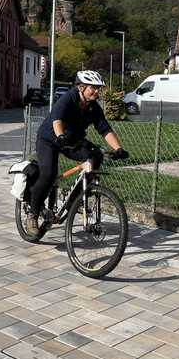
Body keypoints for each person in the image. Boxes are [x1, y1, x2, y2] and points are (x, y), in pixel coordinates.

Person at [26, 70, 128, 235]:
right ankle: (33, 213)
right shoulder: (69, 98)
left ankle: (75, 200)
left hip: (71, 140)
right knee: (48, 174)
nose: (96, 91)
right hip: (49, 139)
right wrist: (60, 136)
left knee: (96, 156)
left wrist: (118, 148)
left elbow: (104, 129)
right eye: (93, 88)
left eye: (98, 88)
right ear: (81, 87)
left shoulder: (93, 107)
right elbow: (56, 118)